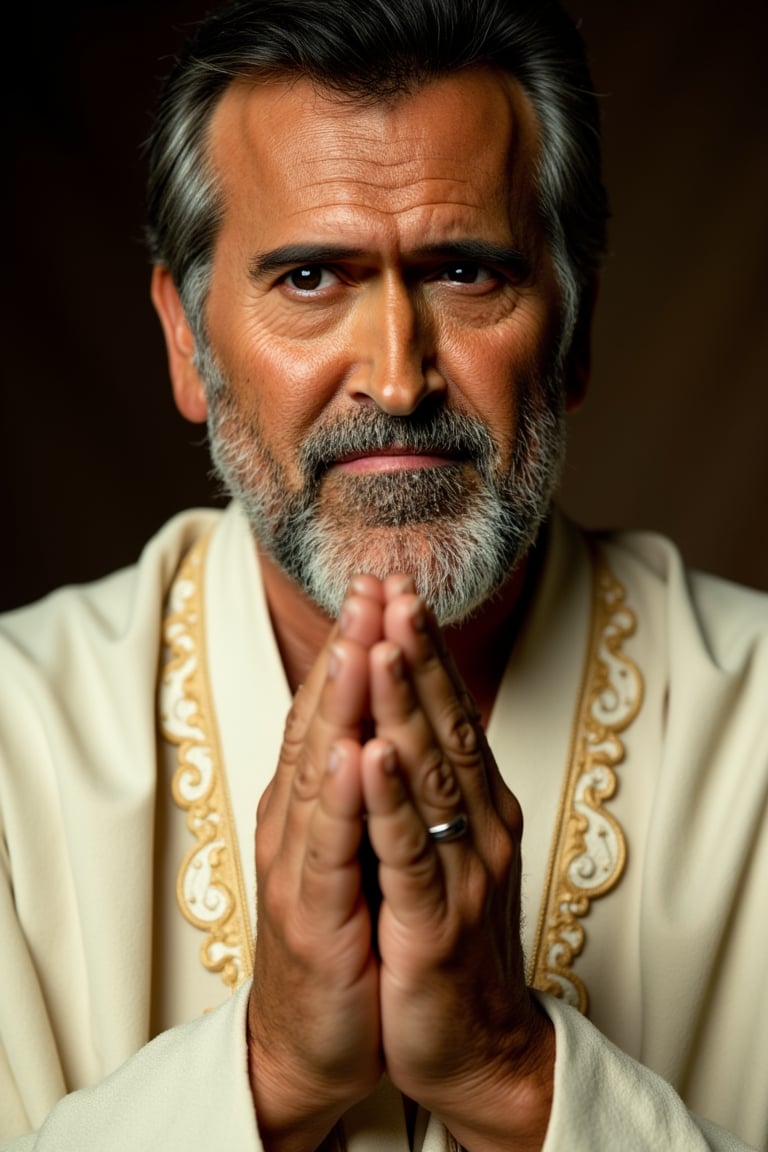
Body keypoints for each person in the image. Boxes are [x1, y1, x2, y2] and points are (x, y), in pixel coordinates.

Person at [1, 0, 766, 1148]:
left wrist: (517, 1074)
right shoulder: (16, 745)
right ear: (185, 342)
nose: (398, 380)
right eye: (312, 277)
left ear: (576, 331)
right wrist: (263, 1071)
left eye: (465, 272)